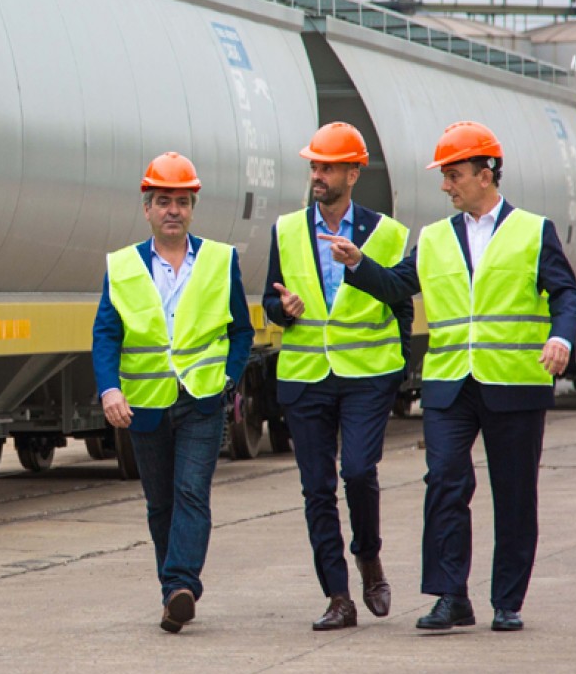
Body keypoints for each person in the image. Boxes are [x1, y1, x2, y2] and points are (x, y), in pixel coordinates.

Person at [325, 121, 576, 633]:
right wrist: (359, 264)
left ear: (486, 174)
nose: (446, 185)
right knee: (444, 481)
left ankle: (507, 601)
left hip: (515, 381)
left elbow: (566, 294)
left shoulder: (534, 231)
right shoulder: (436, 238)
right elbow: (400, 285)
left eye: (454, 174)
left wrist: (562, 337)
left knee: (513, 493)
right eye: (444, 175)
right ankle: (450, 596)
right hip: (449, 385)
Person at [92, 152, 254, 633]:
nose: (173, 210)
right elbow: (106, 334)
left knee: (190, 492)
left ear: (192, 207)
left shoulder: (221, 260)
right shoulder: (122, 267)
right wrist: (109, 390)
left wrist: (228, 376)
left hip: (202, 400)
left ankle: (182, 585)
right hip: (144, 405)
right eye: (163, 201)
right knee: (160, 502)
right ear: (147, 208)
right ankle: (173, 593)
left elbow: (241, 331)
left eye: (181, 202)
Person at [262, 122, 411, 631]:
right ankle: (338, 596)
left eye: (327, 167)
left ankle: (369, 558)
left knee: (357, 473)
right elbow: (270, 302)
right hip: (307, 375)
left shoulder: (387, 234)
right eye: (313, 166)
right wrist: (283, 310)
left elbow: (398, 299)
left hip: (368, 375)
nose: (317, 175)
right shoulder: (286, 230)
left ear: (353, 172)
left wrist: (397, 371)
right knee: (317, 488)